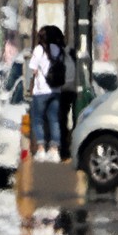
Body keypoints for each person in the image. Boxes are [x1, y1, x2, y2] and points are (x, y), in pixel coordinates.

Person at [29, 26, 63, 162]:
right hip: (55, 90)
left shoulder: (38, 50)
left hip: (41, 91)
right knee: (54, 119)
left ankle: (41, 149)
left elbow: (33, 69)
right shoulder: (58, 50)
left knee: (38, 120)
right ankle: (54, 151)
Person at [46, 25, 76, 162]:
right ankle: (64, 149)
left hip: (55, 89)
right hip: (69, 89)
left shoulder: (50, 50)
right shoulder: (69, 50)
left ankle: (54, 149)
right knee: (62, 119)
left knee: (53, 119)